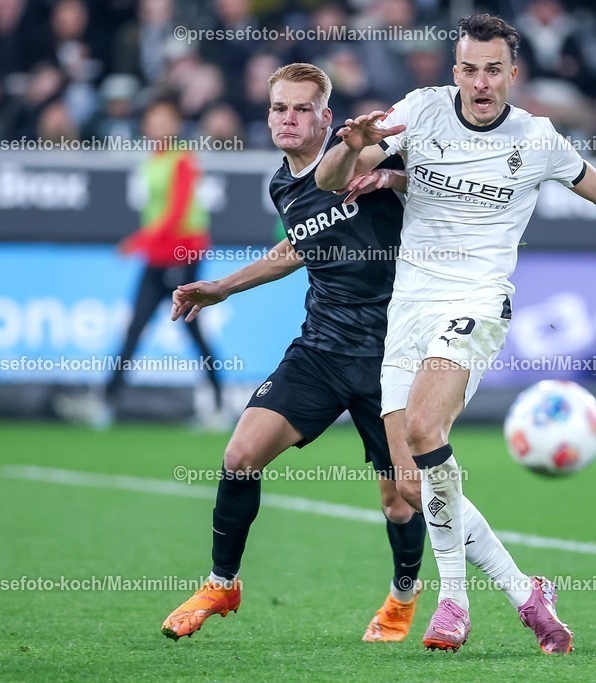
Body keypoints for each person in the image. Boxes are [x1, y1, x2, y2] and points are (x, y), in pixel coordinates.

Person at [316, 13, 596, 654]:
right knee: (409, 484)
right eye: (469, 69)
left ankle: (452, 602)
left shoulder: (537, 139)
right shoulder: (419, 111)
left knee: (424, 431)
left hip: (477, 302)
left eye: (493, 70)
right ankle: (527, 592)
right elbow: (331, 180)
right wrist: (349, 145)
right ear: (455, 72)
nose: (480, 82)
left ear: (513, 74)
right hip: (410, 305)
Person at [160, 63, 427, 643]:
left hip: (392, 353)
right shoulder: (282, 183)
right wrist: (221, 286)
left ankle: (404, 597)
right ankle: (221, 582)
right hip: (322, 348)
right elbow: (297, 246)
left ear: (325, 117)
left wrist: (391, 176)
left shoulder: (364, 157)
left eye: (302, 108)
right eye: (279, 108)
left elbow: (425, 176)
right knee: (240, 455)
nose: (288, 118)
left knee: (402, 497)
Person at [55, 100, 222, 428]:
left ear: (175, 125)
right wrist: (147, 244)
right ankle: (106, 404)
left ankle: (217, 406)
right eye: (153, 119)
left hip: (183, 254)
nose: (159, 125)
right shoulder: (152, 161)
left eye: (165, 119)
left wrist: (137, 241)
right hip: (158, 256)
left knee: (193, 331)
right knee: (134, 330)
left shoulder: (182, 160)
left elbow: (175, 212)